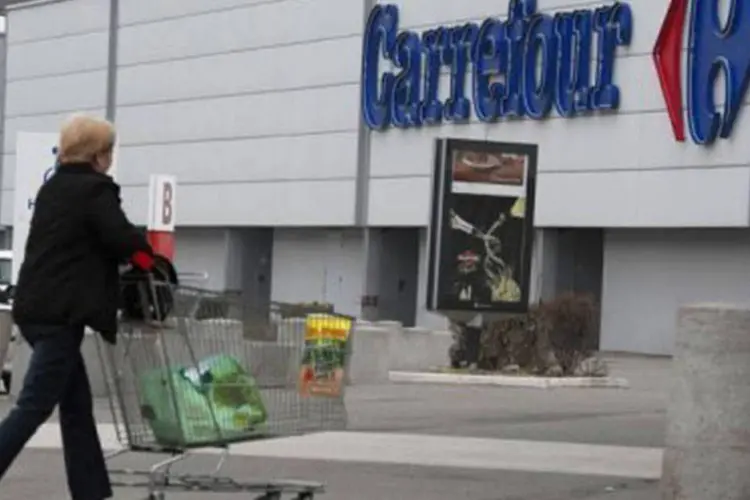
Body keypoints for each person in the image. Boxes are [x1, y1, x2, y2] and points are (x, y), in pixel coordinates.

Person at [0, 113, 155, 499]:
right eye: (109, 151)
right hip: (60, 316)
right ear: (98, 154)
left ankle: (92, 492)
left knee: (77, 409)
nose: (111, 158)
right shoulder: (94, 190)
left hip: (35, 309)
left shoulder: (54, 188)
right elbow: (119, 237)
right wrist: (146, 257)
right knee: (34, 407)